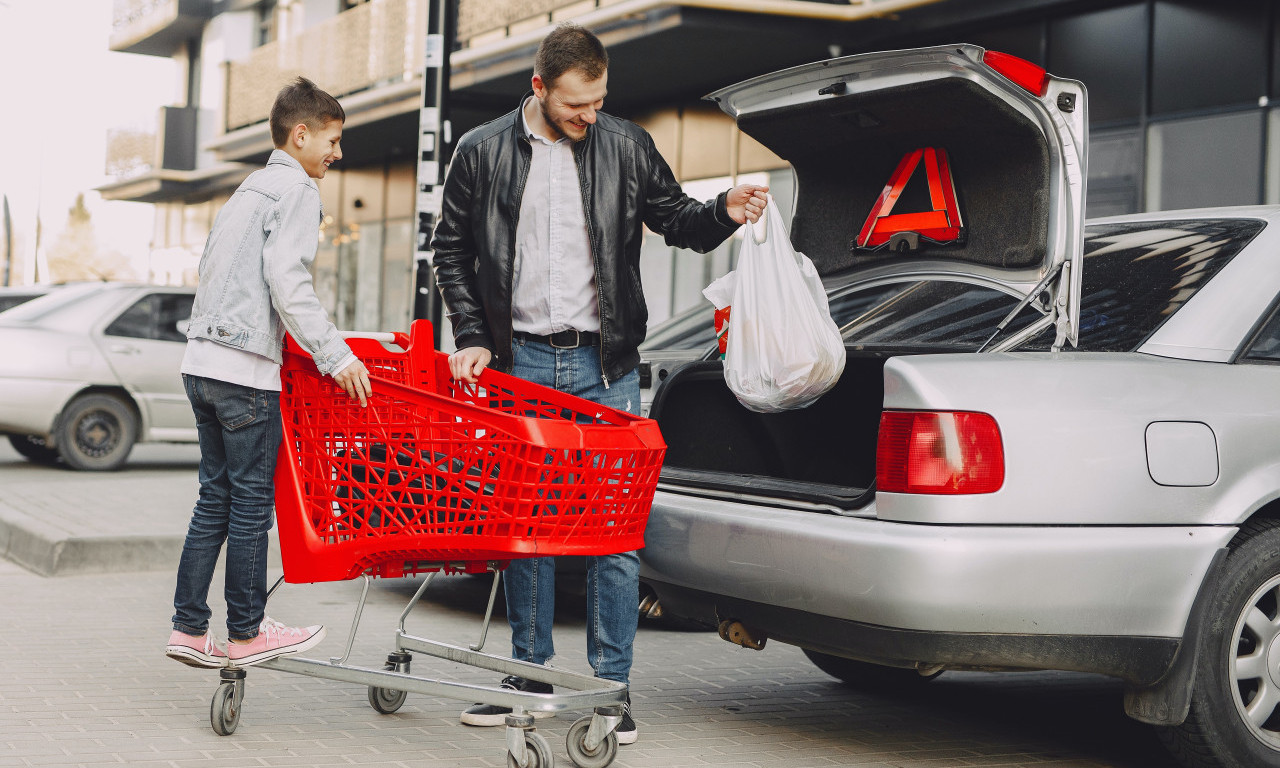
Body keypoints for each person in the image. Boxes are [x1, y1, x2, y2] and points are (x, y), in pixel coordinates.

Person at [430, 23, 768, 744]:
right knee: (529, 532)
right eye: (576, 104)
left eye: (599, 100)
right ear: (539, 88)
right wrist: (471, 335)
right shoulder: (482, 151)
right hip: (518, 364)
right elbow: (450, 251)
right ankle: (528, 675)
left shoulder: (626, 144)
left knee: (614, 535)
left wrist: (724, 212)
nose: (590, 115)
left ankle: (611, 688)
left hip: (605, 366)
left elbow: (676, 219)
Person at [165, 76, 372, 670]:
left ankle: (188, 629)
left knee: (214, 499)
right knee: (253, 505)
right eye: (332, 140)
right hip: (245, 372)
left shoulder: (247, 190)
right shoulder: (297, 190)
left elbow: (215, 270)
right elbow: (288, 278)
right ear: (300, 134)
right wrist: (336, 355)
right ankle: (248, 632)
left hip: (201, 363)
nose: (337, 153)